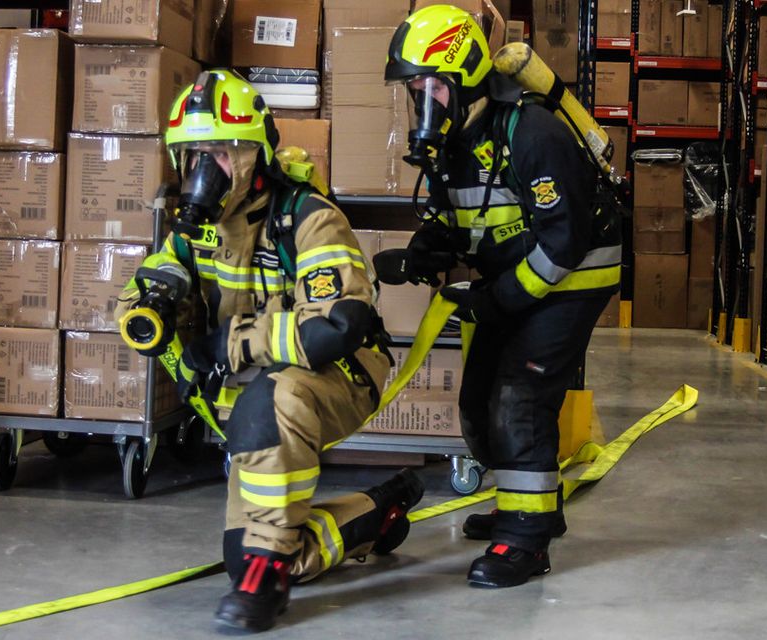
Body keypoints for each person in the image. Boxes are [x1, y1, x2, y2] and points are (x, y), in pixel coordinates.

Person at [117, 69, 423, 632]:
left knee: (271, 401)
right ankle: (374, 514)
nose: (205, 172)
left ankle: (265, 581)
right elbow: (154, 277)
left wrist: (233, 343)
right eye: (193, 156)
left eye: (220, 154)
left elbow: (337, 325)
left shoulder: (306, 217)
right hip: (257, 391)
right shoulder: (196, 229)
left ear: (254, 154)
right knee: (257, 550)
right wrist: (148, 303)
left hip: (339, 373)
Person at [380, 5, 621, 588]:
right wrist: (426, 250)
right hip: (514, 278)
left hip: (572, 278)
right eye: (416, 89)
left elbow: (563, 245)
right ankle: (530, 504)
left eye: (436, 85)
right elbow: (460, 217)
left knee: (520, 396)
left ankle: (526, 541)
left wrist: (501, 301)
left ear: (465, 78)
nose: (425, 101)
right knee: (479, 400)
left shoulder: (531, 133)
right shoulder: (455, 139)